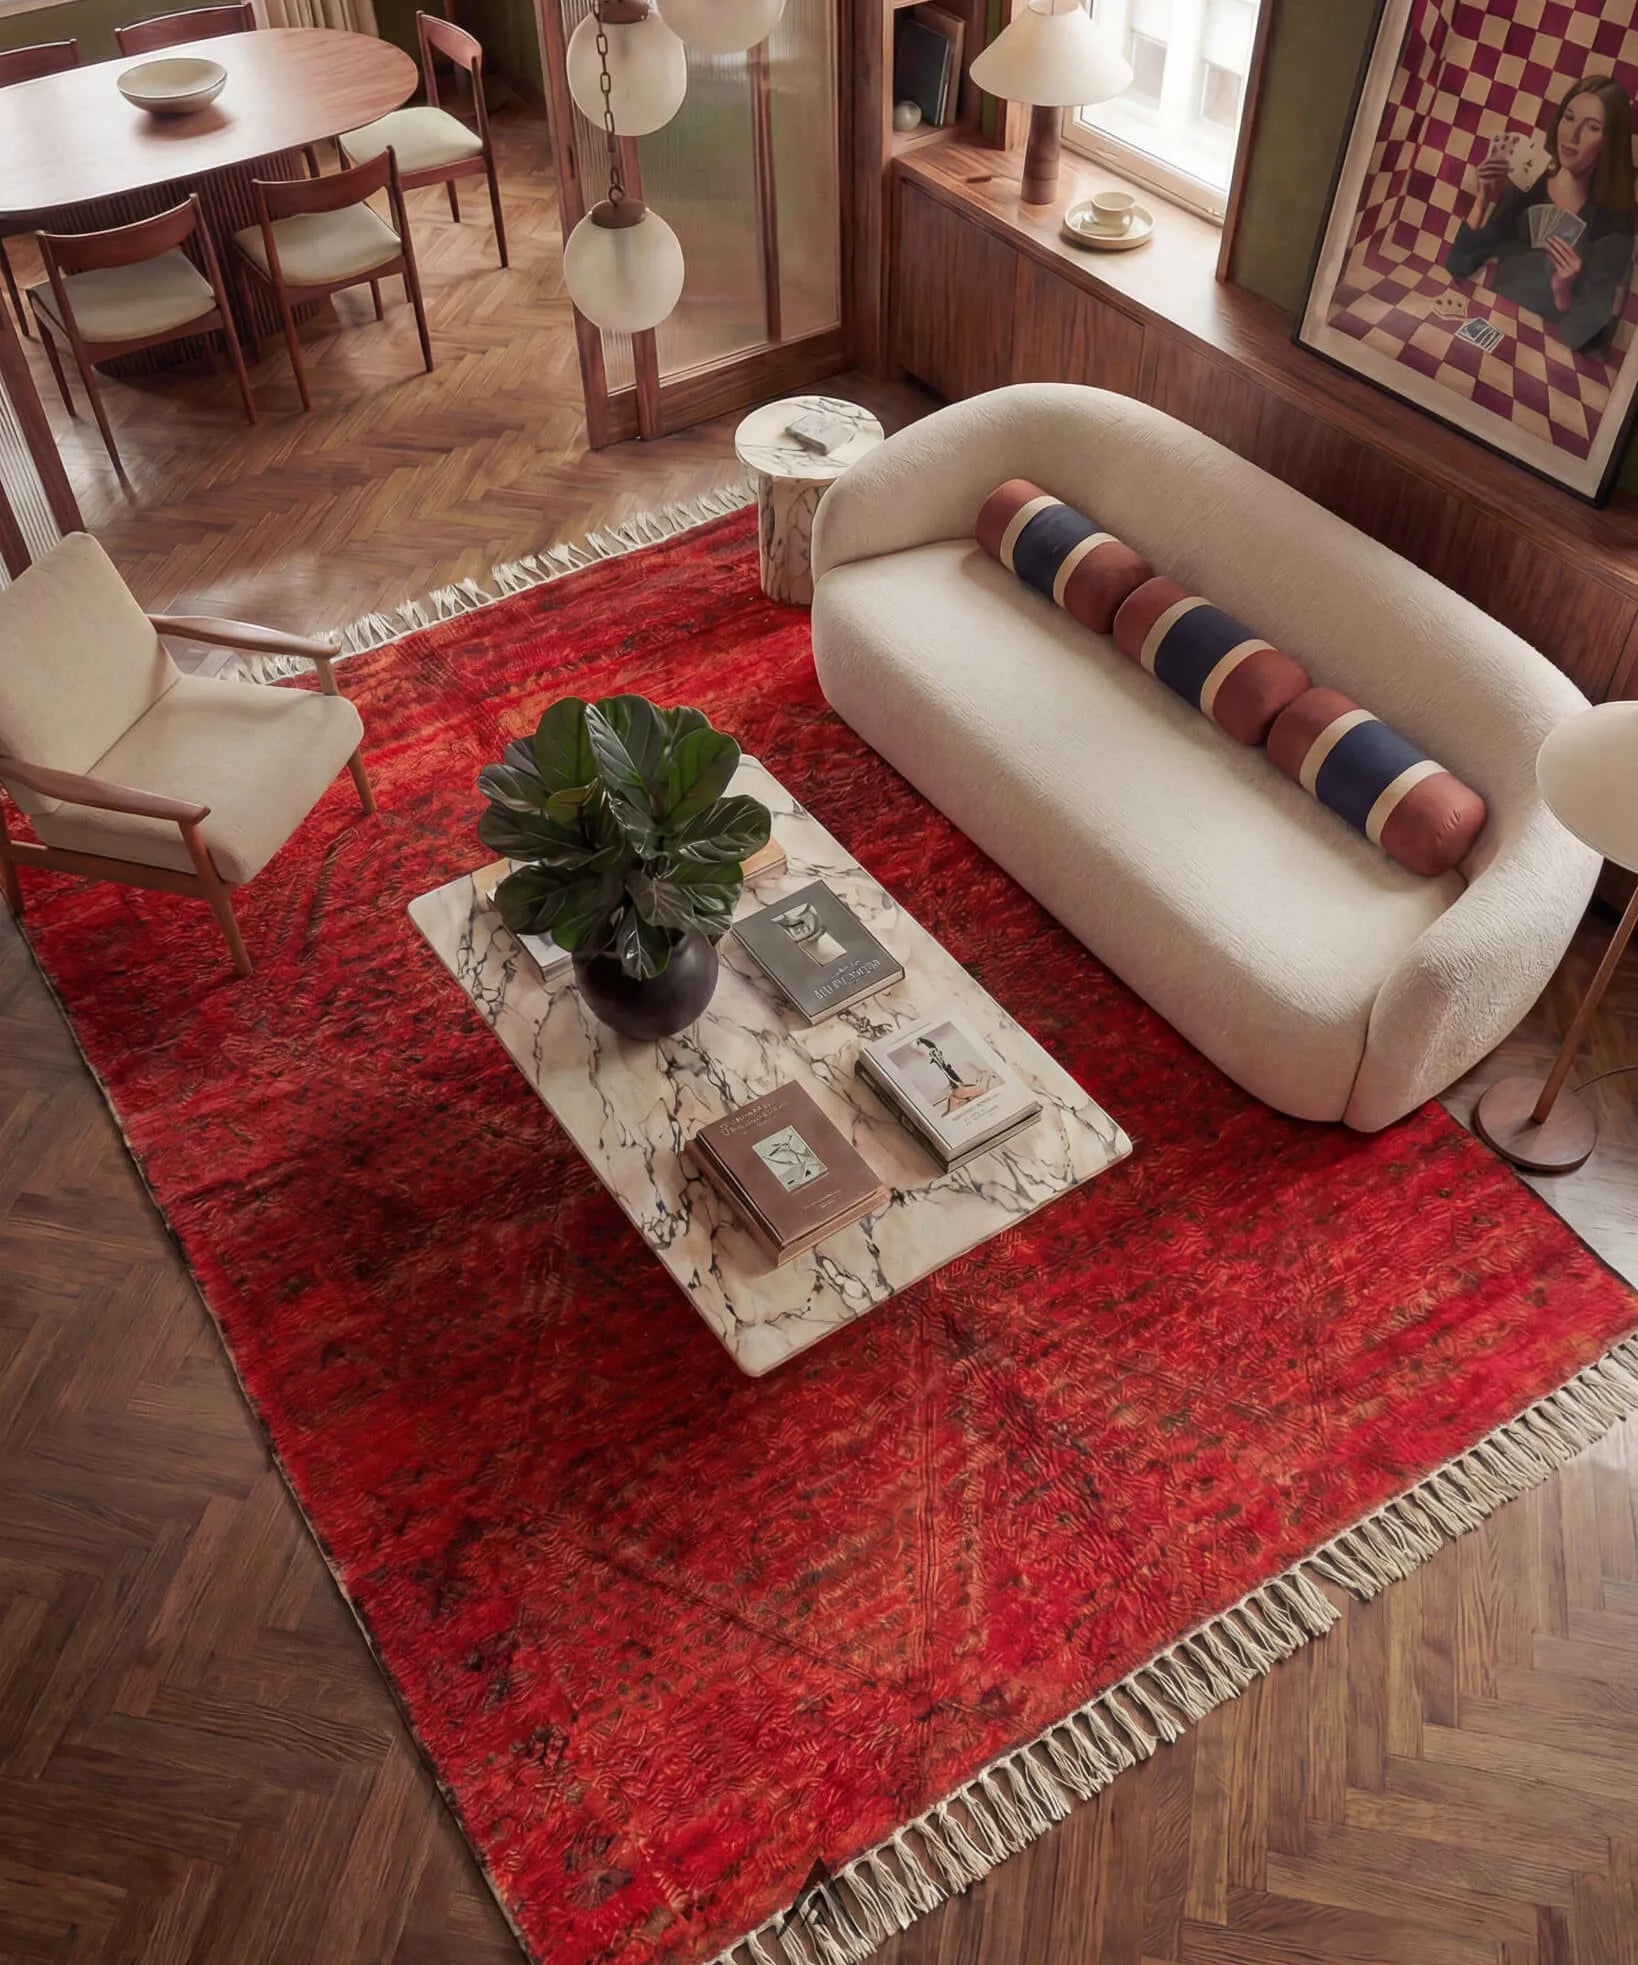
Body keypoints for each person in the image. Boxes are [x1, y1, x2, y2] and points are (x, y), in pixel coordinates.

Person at [1445, 75, 1635, 352]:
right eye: (1568, 118)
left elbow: (1585, 342)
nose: (1572, 137)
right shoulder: (1528, 186)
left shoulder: (1611, 228)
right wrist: (1482, 202)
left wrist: (1562, 292)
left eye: (1592, 127)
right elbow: (1459, 265)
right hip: (1491, 325)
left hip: (1545, 354)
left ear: (1608, 142)